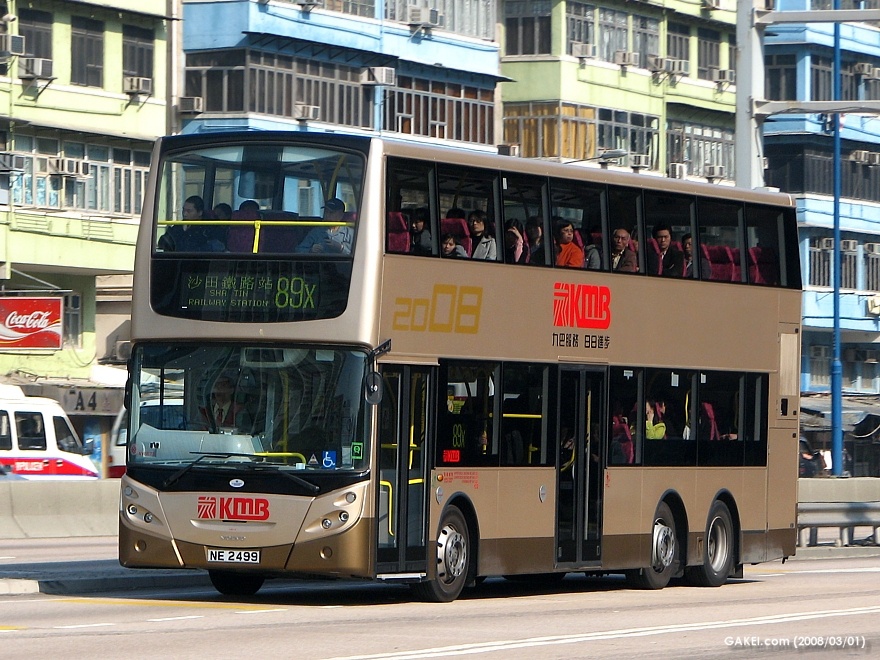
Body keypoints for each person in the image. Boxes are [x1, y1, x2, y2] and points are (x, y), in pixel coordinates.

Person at [158, 195, 225, 252]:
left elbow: (215, 247)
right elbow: (164, 243)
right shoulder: (179, 226)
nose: (185, 214)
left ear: (200, 213)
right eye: (183, 210)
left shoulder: (210, 228)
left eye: (189, 211)